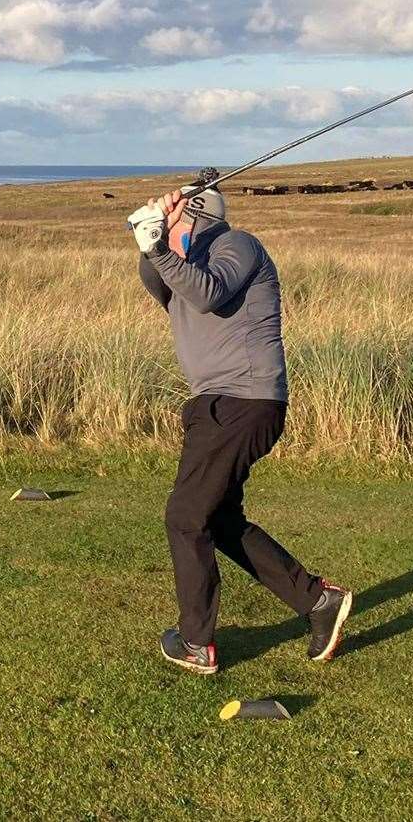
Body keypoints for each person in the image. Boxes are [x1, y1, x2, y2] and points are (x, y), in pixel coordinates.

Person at [131, 185, 351, 674]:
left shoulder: (237, 246)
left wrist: (160, 245)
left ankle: (195, 643)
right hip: (219, 405)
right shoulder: (183, 267)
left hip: (242, 402)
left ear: (192, 217)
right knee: (218, 520)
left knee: (186, 516)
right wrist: (149, 243)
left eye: (171, 217)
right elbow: (158, 281)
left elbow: (208, 294)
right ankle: (318, 602)